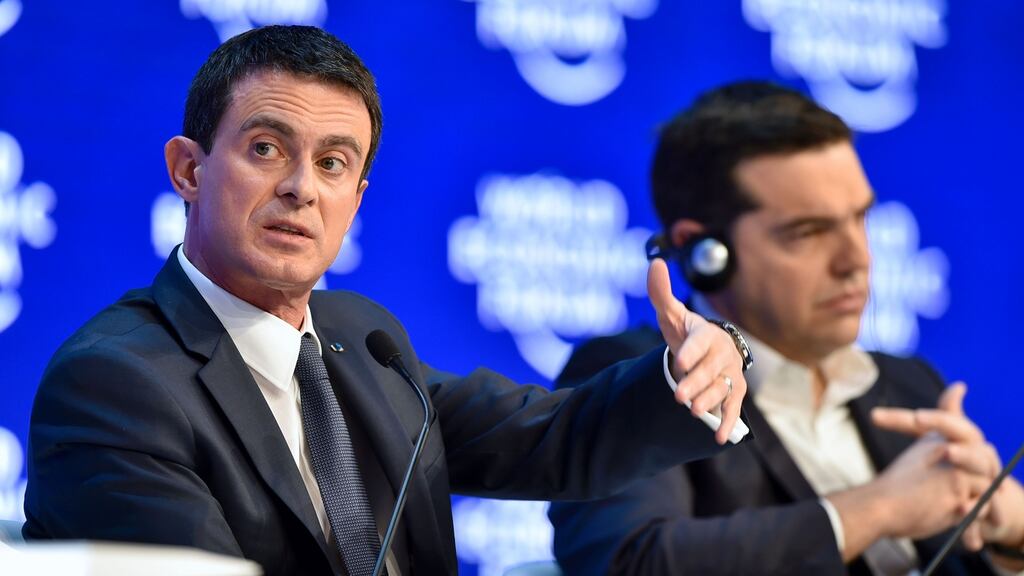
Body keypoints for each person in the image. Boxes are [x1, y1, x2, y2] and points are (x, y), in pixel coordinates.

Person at [21, 26, 752, 576]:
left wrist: (692, 368)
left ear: (356, 198)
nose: (301, 188)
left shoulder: (361, 339)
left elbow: (548, 438)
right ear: (189, 169)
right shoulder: (117, 382)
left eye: (333, 163)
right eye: (267, 148)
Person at [548, 81, 1024, 575]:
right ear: (706, 252)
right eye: (808, 232)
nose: (857, 259)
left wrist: (1011, 530)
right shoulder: (641, 377)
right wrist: (880, 507)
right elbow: (628, 562)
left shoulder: (909, 385)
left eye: (859, 218)